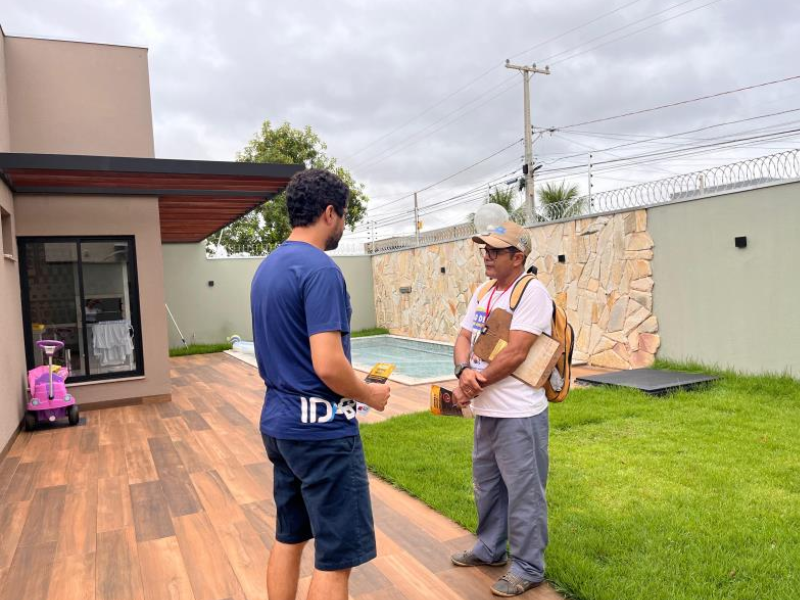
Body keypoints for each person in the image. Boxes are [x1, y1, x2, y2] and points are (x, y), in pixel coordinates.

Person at [251, 169, 391, 600]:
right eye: (345, 216)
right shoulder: (321, 271)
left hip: (280, 427)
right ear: (329, 213)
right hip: (322, 434)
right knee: (335, 559)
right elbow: (328, 365)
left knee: (289, 536)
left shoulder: (267, 269)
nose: (344, 226)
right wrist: (370, 395)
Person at [450, 221, 553, 597]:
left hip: (518, 414)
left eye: (495, 251)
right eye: (485, 250)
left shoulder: (532, 292)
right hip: (487, 410)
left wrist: (473, 383)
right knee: (488, 486)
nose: (487, 256)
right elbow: (464, 337)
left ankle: (528, 566)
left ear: (518, 257)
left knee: (525, 492)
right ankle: (490, 548)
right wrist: (463, 371)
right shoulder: (484, 291)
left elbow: (517, 351)